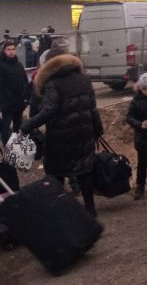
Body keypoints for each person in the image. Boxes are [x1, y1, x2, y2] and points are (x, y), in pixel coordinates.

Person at [20, 52, 103, 217]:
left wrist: (26, 127)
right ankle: (90, 209)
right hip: (85, 134)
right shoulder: (84, 79)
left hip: (60, 137)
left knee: (56, 174)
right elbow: (93, 109)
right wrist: (98, 131)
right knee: (84, 171)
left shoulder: (53, 83)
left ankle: (61, 211)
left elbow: (49, 111)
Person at [0, 41, 28, 145]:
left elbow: (25, 81)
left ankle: (16, 148)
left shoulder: (19, 64)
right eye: (8, 49)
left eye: (13, 49)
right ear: (4, 51)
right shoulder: (1, 65)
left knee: (18, 127)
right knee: (6, 127)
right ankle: (6, 147)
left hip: (19, 102)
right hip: (7, 104)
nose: (11, 52)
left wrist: (25, 96)